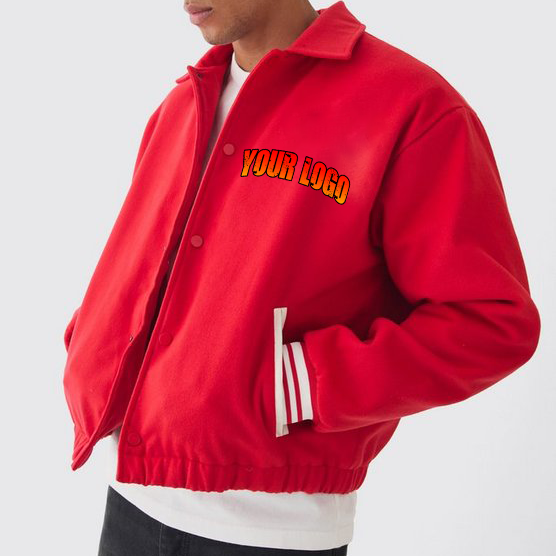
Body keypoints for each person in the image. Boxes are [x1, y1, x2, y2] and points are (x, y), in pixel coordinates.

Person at [61, 1, 541, 555]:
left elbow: (491, 322)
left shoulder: (410, 106)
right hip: (130, 495)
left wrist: (304, 382)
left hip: (269, 527)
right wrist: (94, 342)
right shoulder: (182, 104)